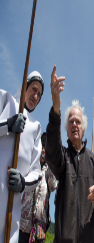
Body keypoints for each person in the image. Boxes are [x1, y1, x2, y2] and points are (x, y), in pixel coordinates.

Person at [45, 65, 94, 243]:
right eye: (70, 121)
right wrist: (56, 107)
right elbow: (51, 152)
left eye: (78, 121)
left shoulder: (93, 160)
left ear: (83, 128)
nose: (74, 124)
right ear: (66, 130)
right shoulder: (62, 157)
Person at [0, 71, 44, 243]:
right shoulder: (5, 100)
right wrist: (7, 125)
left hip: (11, 217)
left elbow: (36, 170)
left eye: (39, 94)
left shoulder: (36, 127)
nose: (35, 96)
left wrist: (23, 182)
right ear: (25, 87)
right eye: (33, 89)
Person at [19, 132, 57, 243]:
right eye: (41, 147)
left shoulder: (48, 171)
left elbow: (53, 185)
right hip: (23, 225)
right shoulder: (28, 166)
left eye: (45, 148)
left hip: (39, 228)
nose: (43, 151)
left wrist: (49, 163)